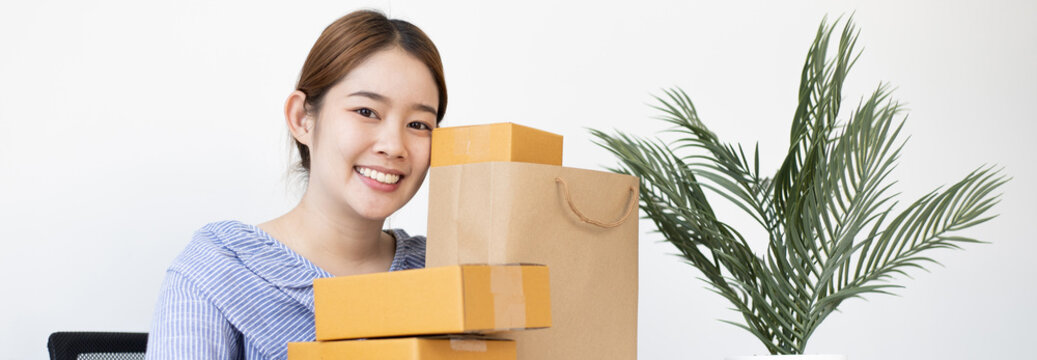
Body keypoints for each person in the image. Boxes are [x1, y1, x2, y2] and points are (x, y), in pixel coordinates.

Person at [145, 9, 447, 359]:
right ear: (302, 118)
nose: (394, 146)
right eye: (366, 112)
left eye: (419, 125)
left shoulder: (443, 272)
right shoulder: (219, 270)